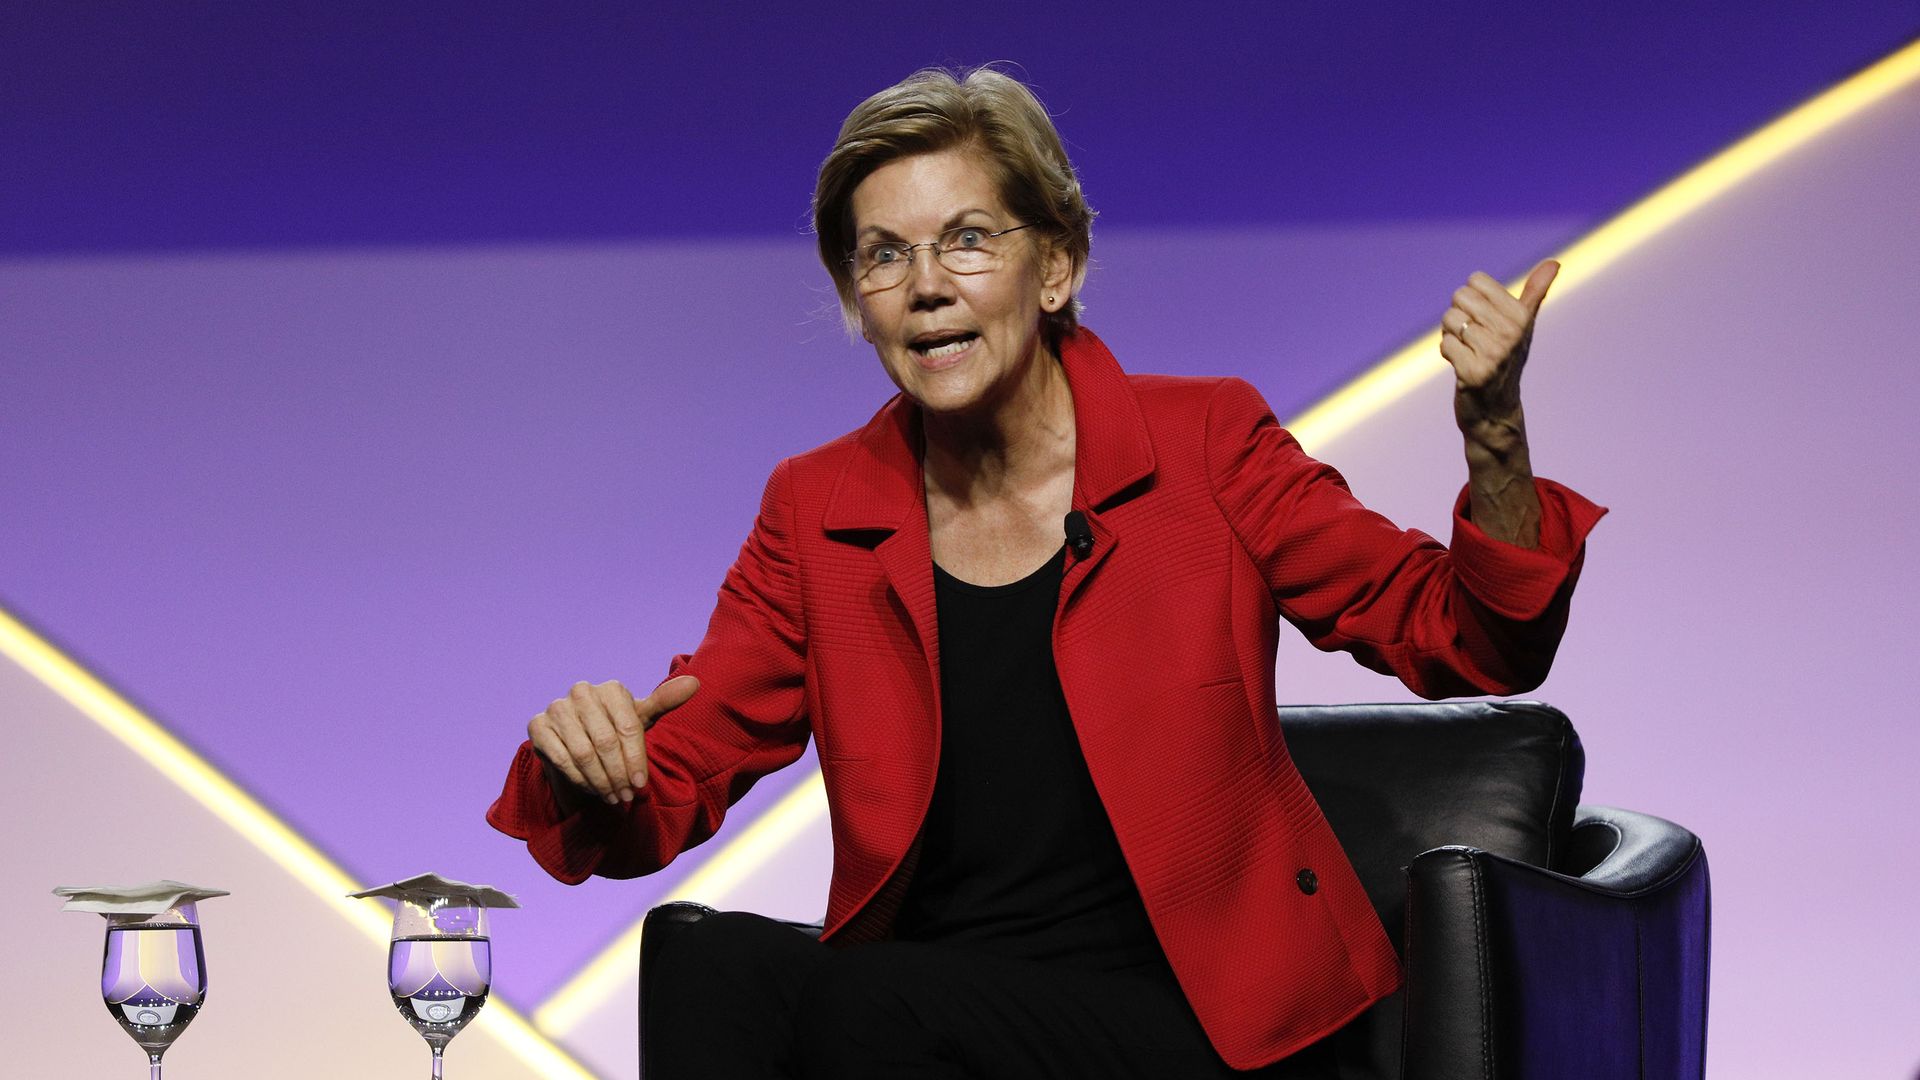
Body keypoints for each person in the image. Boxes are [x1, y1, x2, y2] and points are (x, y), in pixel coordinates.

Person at [487, 65, 1604, 1078]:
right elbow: (681, 770)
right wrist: (593, 769)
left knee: (868, 1003)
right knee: (715, 964)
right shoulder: (818, 509)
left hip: (1204, 1026)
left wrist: (1495, 435)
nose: (926, 284)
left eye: (967, 238)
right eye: (883, 254)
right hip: (938, 1009)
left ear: (1056, 267)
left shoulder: (1202, 443)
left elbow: (1469, 637)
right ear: (858, 303)